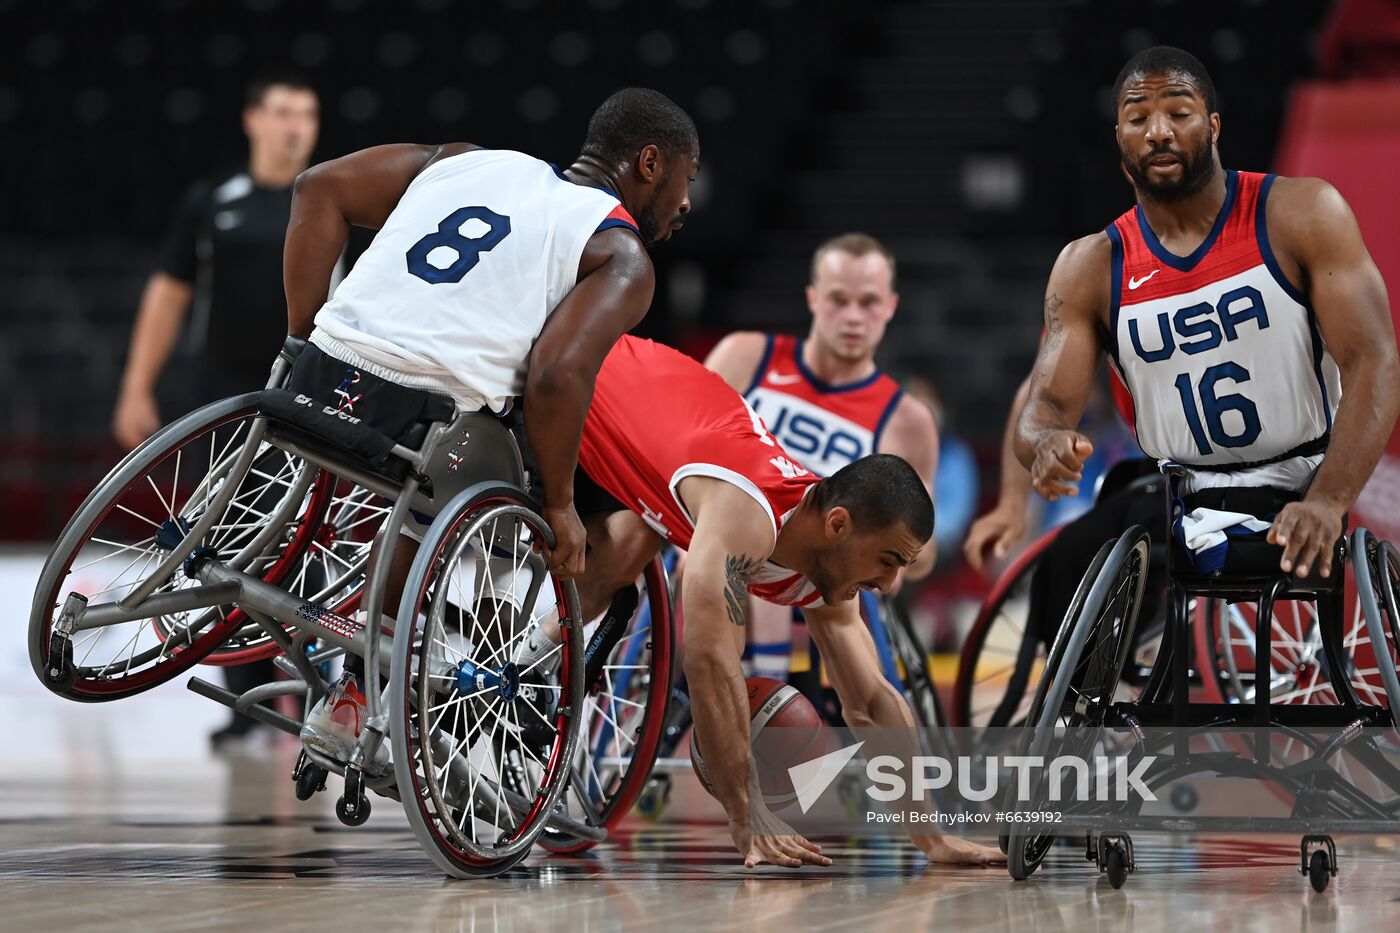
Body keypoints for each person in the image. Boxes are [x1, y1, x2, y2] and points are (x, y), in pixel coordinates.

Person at [281, 88, 698, 763]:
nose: (685, 203)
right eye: (688, 177)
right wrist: (560, 506)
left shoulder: (469, 160)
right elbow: (556, 378)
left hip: (321, 376)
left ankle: (367, 675)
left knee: (456, 464)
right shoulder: (620, 254)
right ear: (651, 163)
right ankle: (390, 686)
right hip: (426, 423)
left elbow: (317, 189)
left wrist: (302, 344)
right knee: (545, 486)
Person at [518, 333, 1005, 869]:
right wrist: (745, 815)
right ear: (838, 525)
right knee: (630, 551)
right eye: (887, 561)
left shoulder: (823, 565)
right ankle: (498, 653)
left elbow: (871, 701)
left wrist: (930, 836)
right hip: (581, 372)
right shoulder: (747, 518)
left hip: (646, 447)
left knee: (631, 545)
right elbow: (709, 662)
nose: (889, 585)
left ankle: (526, 660)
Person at [1015, 47, 1398, 596]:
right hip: (1180, 493)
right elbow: (1041, 410)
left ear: (1213, 126)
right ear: (1119, 140)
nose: (1158, 132)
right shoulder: (1090, 266)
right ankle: (1112, 683)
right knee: (1063, 571)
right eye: (1138, 118)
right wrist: (1047, 441)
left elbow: (1375, 360)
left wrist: (1329, 499)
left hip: (1300, 475)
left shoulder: (1300, 213)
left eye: (1178, 111)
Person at [110, 70, 320, 749]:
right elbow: (168, 295)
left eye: (307, 114)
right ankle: (247, 707)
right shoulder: (212, 201)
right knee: (225, 549)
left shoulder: (332, 198)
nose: (296, 126)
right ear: (253, 120)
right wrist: (136, 386)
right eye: (283, 111)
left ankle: (317, 696)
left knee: (310, 543)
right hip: (223, 400)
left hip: (308, 397)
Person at [703, 233, 939, 682]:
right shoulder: (746, 356)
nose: (853, 316)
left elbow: (920, 548)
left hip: (830, 579)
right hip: (721, 544)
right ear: (813, 298)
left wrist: (897, 559)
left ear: (890, 306)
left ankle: (765, 699)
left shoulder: (908, 420)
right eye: (838, 300)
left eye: (868, 302)